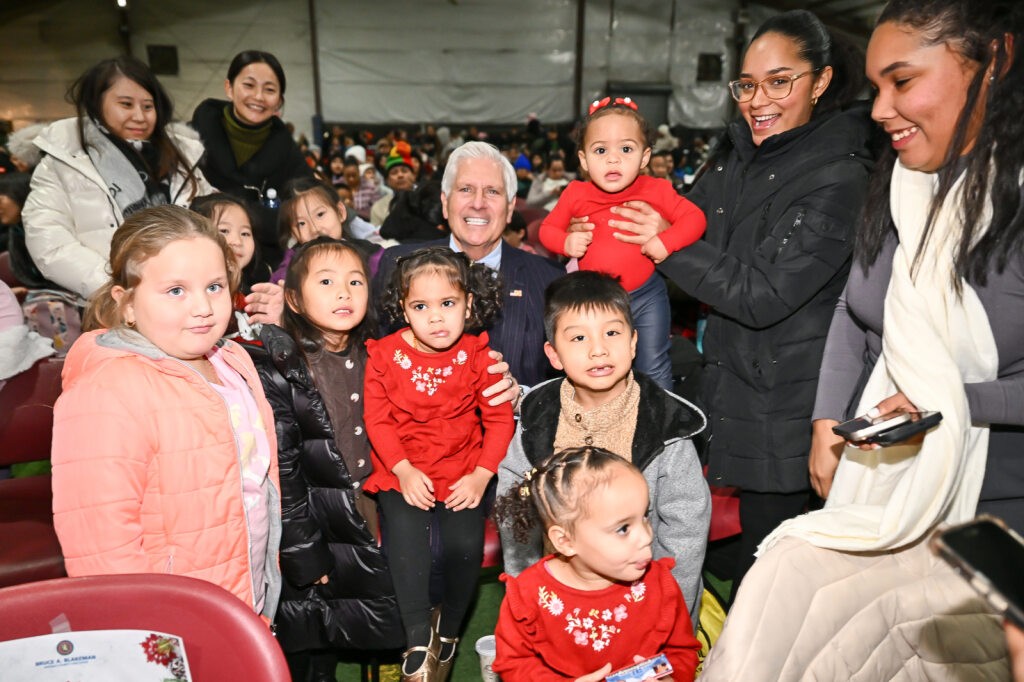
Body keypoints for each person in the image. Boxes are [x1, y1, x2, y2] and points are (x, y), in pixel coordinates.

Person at [700, 1, 1022, 678]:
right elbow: (858, 307)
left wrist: (947, 403)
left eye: (903, 82)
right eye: (876, 88)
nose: (880, 109)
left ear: (993, 64)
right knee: (782, 580)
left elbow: (765, 292)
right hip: (886, 476)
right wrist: (826, 417)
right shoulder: (903, 184)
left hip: (991, 506)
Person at [582, 10, 873, 588]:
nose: (758, 99)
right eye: (747, 84)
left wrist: (662, 248)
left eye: (779, 81)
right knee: (729, 552)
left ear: (820, 82)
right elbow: (677, 233)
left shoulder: (840, 176)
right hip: (731, 377)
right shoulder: (736, 155)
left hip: (792, 395)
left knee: (778, 568)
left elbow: (764, 294)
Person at [51, 205, 281, 619]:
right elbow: (101, 548)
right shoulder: (108, 391)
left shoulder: (233, 362)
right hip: (168, 620)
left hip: (244, 597)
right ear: (127, 304)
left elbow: (256, 487)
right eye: (176, 290)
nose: (203, 308)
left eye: (214, 286)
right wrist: (148, 631)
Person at [497, 271, 710, 621]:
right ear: (553, 354)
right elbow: (515, 508)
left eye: (612, 332)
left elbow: (685, 531)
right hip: (560, 595)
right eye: (578, 338)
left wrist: (669, 615)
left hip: (639, 594)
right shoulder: (540, 418)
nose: (598, 350)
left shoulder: (665, 424)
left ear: (633, 342)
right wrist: (527, 592)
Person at [247, 237, 403, 681]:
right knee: (314, 632)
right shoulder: (283, 367)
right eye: (327, 281)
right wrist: (302, 548)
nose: (344, 292)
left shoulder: (379, 353)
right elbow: (284, 470)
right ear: (293, 299)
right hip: (314, 519)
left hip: (368, 509)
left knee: (372, 608)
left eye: (356, 281)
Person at [364, 246, 516, 682]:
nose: (436, 318)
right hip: (403, 470)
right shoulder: (385, 354)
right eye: (421, 306)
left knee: (464, 549)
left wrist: (482, 475)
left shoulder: (479, 356)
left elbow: (500, 419)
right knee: (406, 547)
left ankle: (448, 630)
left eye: (447, 304)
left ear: (468, 304)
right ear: (403, 310)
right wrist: (403, 469)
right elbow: (377, 418)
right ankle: (416, 635)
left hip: (464, 471)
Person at [539, 98, 706, 391]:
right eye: (601, 150)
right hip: (595, 301)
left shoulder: (658, 189)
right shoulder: (576, 193)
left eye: (626, 149)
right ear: (583, 160)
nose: (613, 159)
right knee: (594, 366)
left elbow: (695, 218)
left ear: (644, 157)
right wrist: (565, 241)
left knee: (653, 362)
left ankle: (661, 430)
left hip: (646, 295)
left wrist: (667, 241)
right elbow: (546, 230)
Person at [492, 447, 701, 682]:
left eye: (644, 516)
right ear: (565, 541)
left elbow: (682, 650)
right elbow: (514, 663)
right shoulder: (528, 596)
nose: (646, 537)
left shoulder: (659, 584)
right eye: (623, 528)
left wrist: (672, 677)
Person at [374, 141, 564, 391]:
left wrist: (524, 399)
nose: (478, 203)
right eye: (465, 189)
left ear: (510, 208)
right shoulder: (398, 265)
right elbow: (377, 364)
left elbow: (564, 382)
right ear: (445, 202)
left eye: (492, 192)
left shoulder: (549, 280)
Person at [22, 56, 213, 299]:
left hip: (185, 296)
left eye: (147, 106)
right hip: (110, 303)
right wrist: (117, 291)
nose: (140, 116)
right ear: (96, 104)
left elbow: (213, 216)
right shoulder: (63, 162)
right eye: (126, 104)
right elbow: (49, 240)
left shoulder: (180, 157)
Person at [191, 50, 314, 268]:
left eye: (269, 90)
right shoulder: (192, 138)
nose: (258, 97)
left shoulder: (287, 150)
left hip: (267, 262)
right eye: (249, 85)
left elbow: (306, 205)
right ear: (229, 87)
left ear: (279, 101)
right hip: (201, 254)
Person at [190, 193, 271, 341]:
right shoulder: (196, 295)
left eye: (245, 233)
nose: (237, 241)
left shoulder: (253, 292)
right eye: (224, 231)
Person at [370, 141, 418, 226]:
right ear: (388, 181)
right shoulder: (378, 208)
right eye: (394, 172)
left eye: (404, 171)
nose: (400, 175)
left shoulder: (426, 200)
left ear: (414, 176)